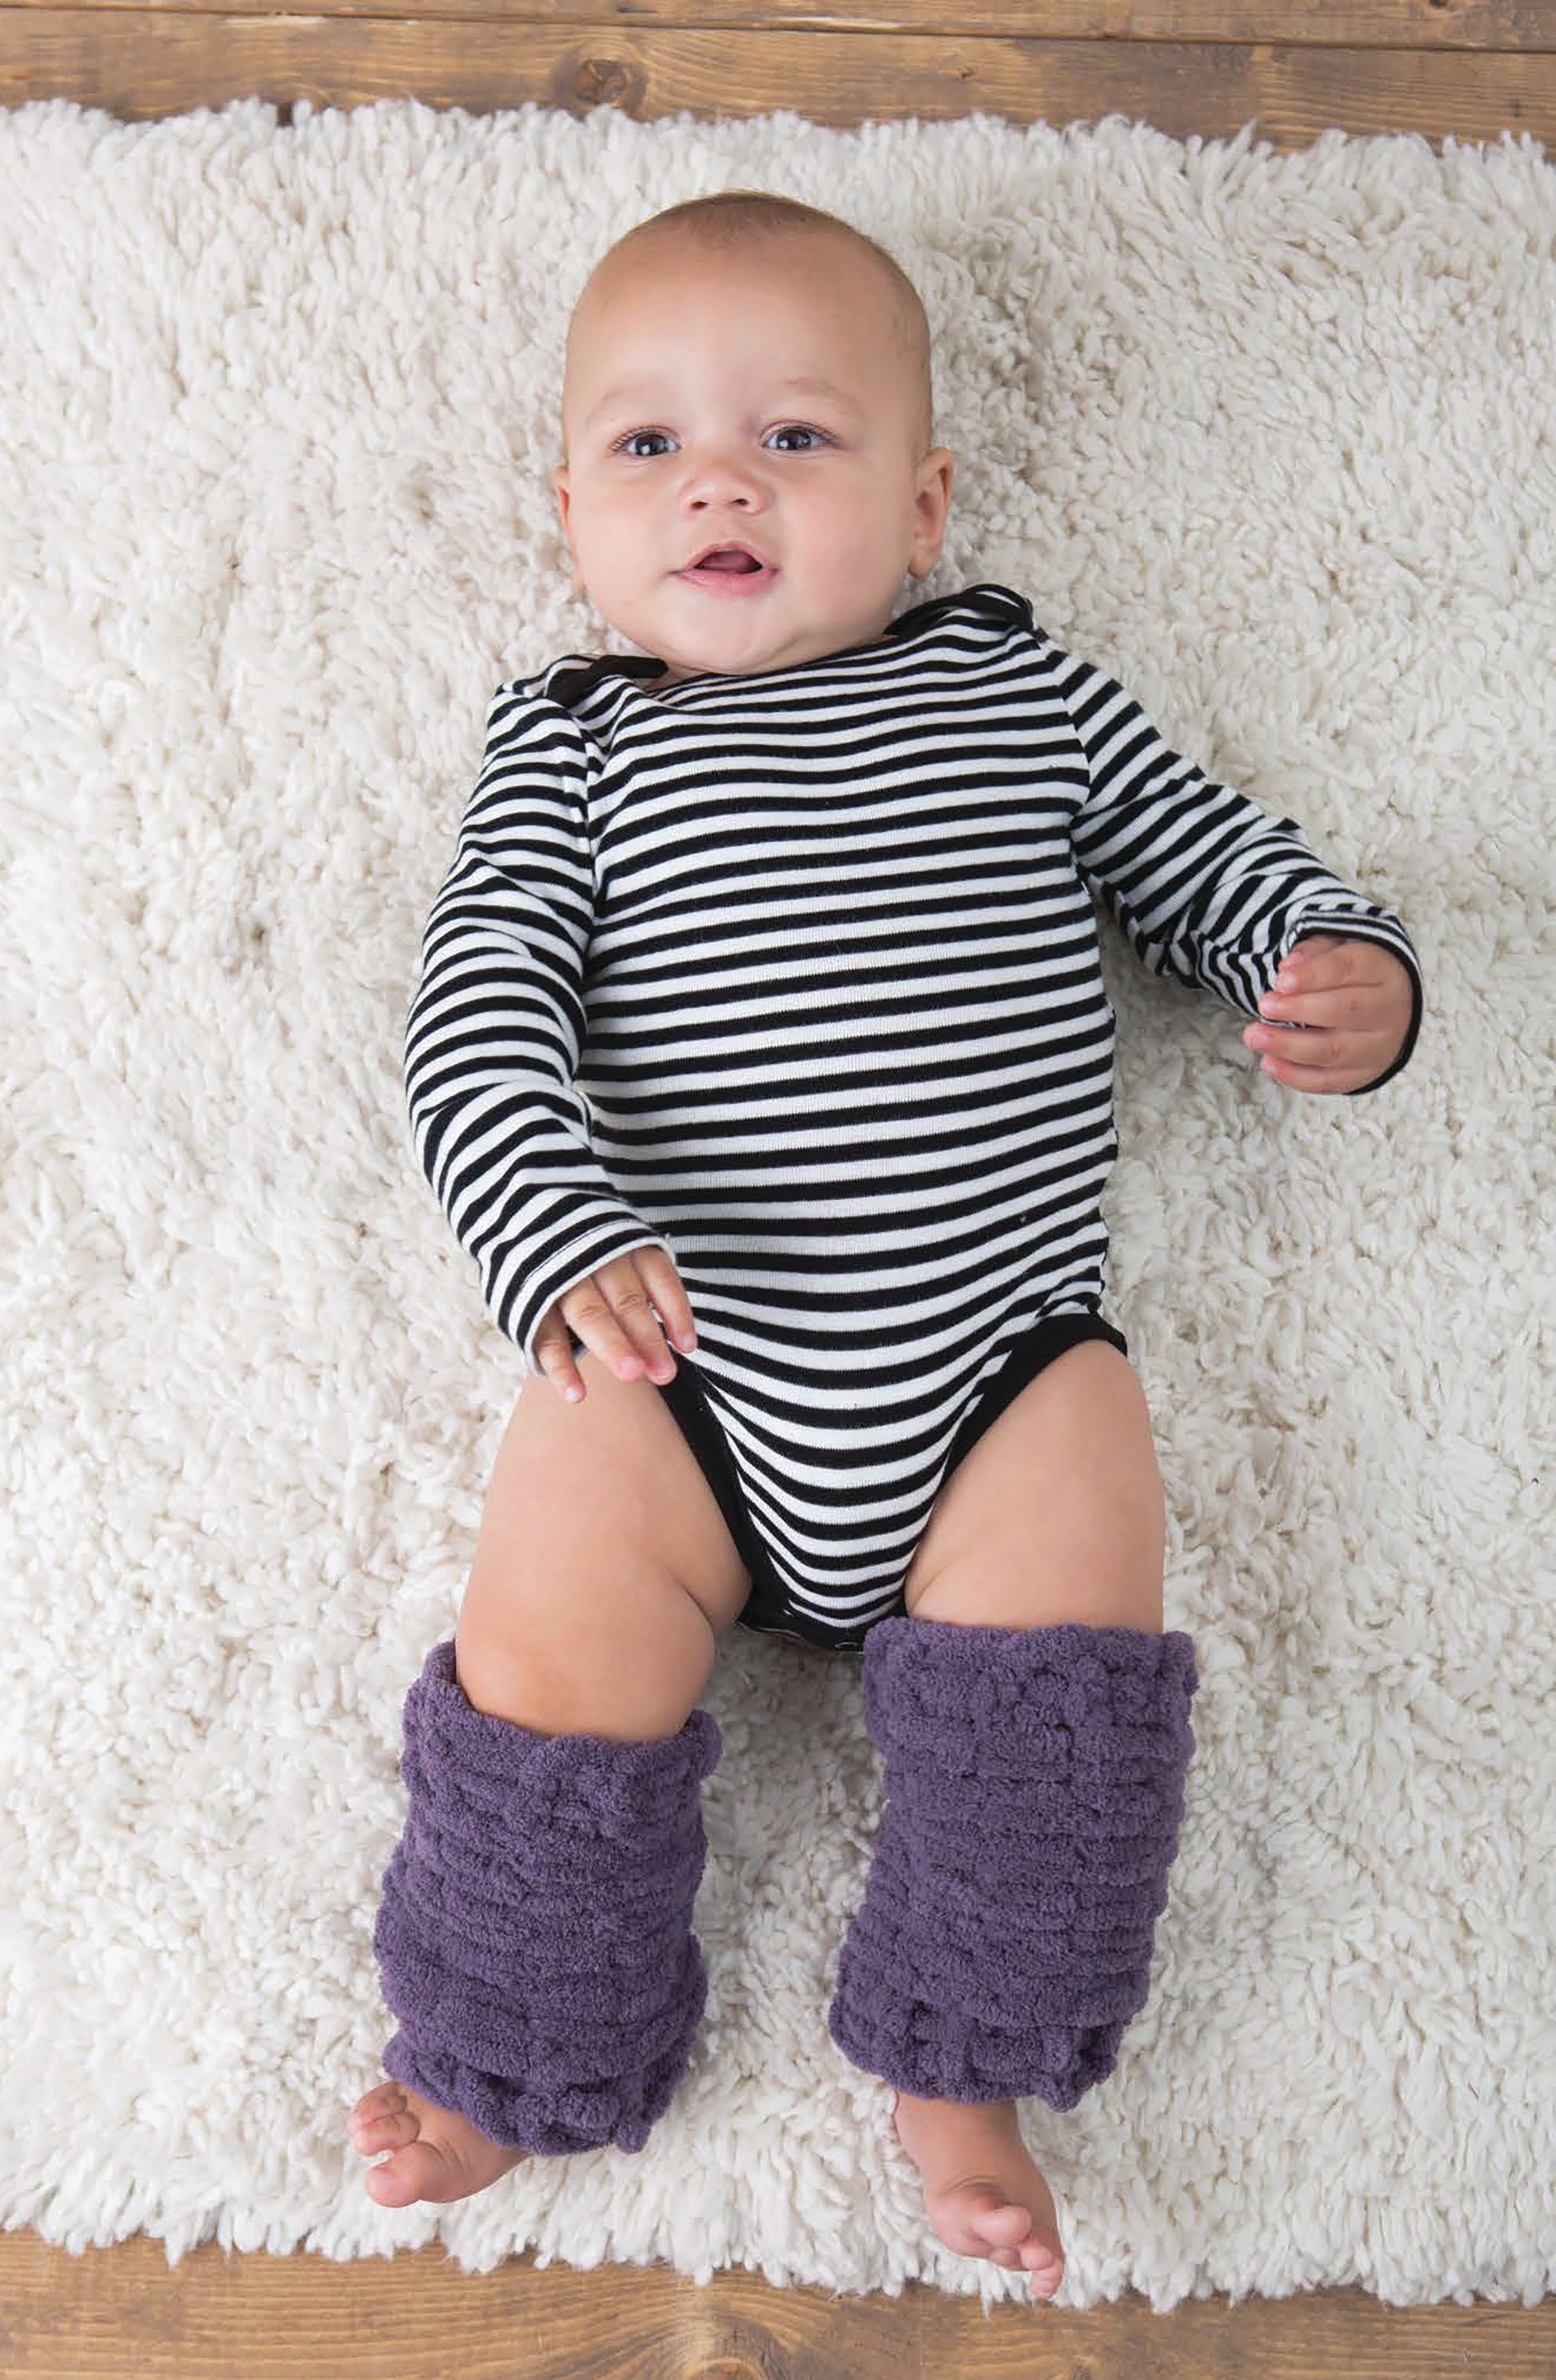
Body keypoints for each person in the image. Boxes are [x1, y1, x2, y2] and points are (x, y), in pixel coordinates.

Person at [347, 189, 1422, 2298]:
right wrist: (555, 1230)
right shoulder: (573, 750)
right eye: (647, 446)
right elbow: (475, 1011)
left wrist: (1330, 961)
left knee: (1072, 1650)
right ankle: (504, 2047)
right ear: (566, 505)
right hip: (671, 1375)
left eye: (799, 439)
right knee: (544, 1660)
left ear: (922, 503)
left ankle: (964, 2060)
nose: (722, 476)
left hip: (991, 1367)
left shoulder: (1024, 698)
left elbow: (1215, 858)